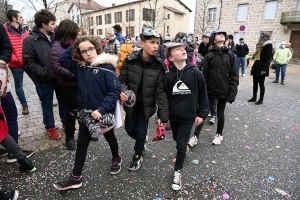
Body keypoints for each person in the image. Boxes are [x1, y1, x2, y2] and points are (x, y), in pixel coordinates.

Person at [54, 35, 122, 190]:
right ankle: (76, 177)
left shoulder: (107, 67)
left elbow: (113, 91)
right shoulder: (80, 66)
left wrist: (102, 109)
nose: (88, 53)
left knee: (109, 136)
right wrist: (77, 43)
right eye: (84, 51)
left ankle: (116, 157)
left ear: (97, 48)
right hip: (86, 114)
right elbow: (62, 60)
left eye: (90, 49)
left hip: (102, 114)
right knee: (82, 144)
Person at [119, 25, 169, 171]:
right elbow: (121, 80)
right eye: (152, 42)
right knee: (129, 129)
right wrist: (122, 91)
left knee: (141, 131)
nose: (155, 46)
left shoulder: (159, 65)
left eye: (157, 43)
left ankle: (137, 155)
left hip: (147, 106)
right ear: (142, 43)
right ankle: (142, 141)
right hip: (131, 103)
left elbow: (160, 92)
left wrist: (163, 116)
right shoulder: (130, 60)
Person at [163, 43, 208, 190]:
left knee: (181, 144)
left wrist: (201, 113)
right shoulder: (168, 77)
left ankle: (177, 171)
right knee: (178, 140)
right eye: (177, 49)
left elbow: (203, 95)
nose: (183, 50)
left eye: (182, 48)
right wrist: (162, 116)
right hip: (174, 117)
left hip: (189, 116)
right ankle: (182, 149)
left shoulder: (195, 73)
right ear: (170, 57)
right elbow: (164, 98)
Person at [23, 9, 66, 139]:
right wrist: (43, 72)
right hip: (44, 79)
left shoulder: (56, 37)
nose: (55, 26)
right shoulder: (30, 41)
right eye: (52, 23)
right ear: (44, 25)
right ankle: (50, 127)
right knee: (47, 104)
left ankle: (65, 122)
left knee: (63, 101)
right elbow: (28, 62)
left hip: (59, 77)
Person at [202, 29, 239, 145]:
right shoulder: (209, 56)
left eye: (223, 34)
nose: (222, 35)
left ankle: (219, 134)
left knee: (220, 114)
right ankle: (195, 135)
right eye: (218, 34)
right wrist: (202, 92)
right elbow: (205, 75)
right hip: (210, 89)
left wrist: (232, 93)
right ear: (213, 39)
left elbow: (234, 76)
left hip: (224, 90)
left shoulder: (231, 55)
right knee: (203, 113)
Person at [4, 10, 41, 115]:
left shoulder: (25, 32)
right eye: (20, 17)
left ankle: (44, 99)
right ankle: (25, 106)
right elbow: (5, 49)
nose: (23, 19)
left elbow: (31, 46)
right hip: (15, 65)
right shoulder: (4, 32)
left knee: (38, 81)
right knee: (19, 85)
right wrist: (17, 59)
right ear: (14, 18)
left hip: (28, 63)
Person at [50, 19, 79, 150]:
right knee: (71, 112)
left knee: (84, 109)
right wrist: (76, 75)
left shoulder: (75, 43)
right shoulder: (57, 45)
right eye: (75, 30)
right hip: (67, 85)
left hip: (79, 84)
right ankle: (70, 137)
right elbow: (57, 67)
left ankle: (87, 132)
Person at [248, 32, 273, 105]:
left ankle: (261, 99)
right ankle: (254, 97)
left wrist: (264, 69)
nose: (260, 37)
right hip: (257, 65)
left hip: (262, 66)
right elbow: (256, 57)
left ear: (266, 37)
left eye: (262, 36)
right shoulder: (259, 45)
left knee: (261, 84)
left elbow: (268, 58)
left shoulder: (268, 45)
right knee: (254, 83)